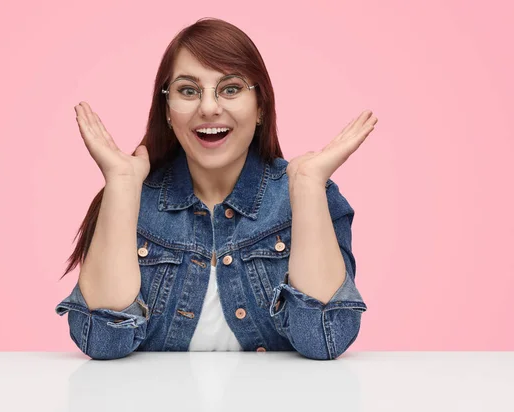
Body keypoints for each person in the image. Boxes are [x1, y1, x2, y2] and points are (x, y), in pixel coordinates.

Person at [55, 17, 377, 360]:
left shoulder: (315, 196)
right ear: (167, 110)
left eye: (231, 88)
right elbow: (103, 342)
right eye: (188, 90)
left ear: (260, 107)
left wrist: (309, 188)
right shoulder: (130, 198)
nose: (208, 108)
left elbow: (325, 340)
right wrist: (119, 185)